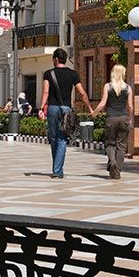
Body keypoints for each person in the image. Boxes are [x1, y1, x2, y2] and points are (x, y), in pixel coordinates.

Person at [38, 48, 93, 179]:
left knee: (53, 138)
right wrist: (90, 108)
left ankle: (57, 170)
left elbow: (45, 92)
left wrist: (41, 108)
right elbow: (82, 92)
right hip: (66, 110)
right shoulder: (72, 74)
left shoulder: (48, 74)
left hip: (52, 109)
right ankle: (58, 170)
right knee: (62, 139)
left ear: (56, 59)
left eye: (53, 58)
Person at [92, 64, 134, 180]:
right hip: (124, 118)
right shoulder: (128, 88)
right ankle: (117, 170)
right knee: (121, 146)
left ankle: (112, 161)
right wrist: (129, 119)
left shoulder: (107, 86)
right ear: (123, 74)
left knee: (110, 143)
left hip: (111, 118)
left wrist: (94, 112)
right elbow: (130, 106)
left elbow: (102, 103)